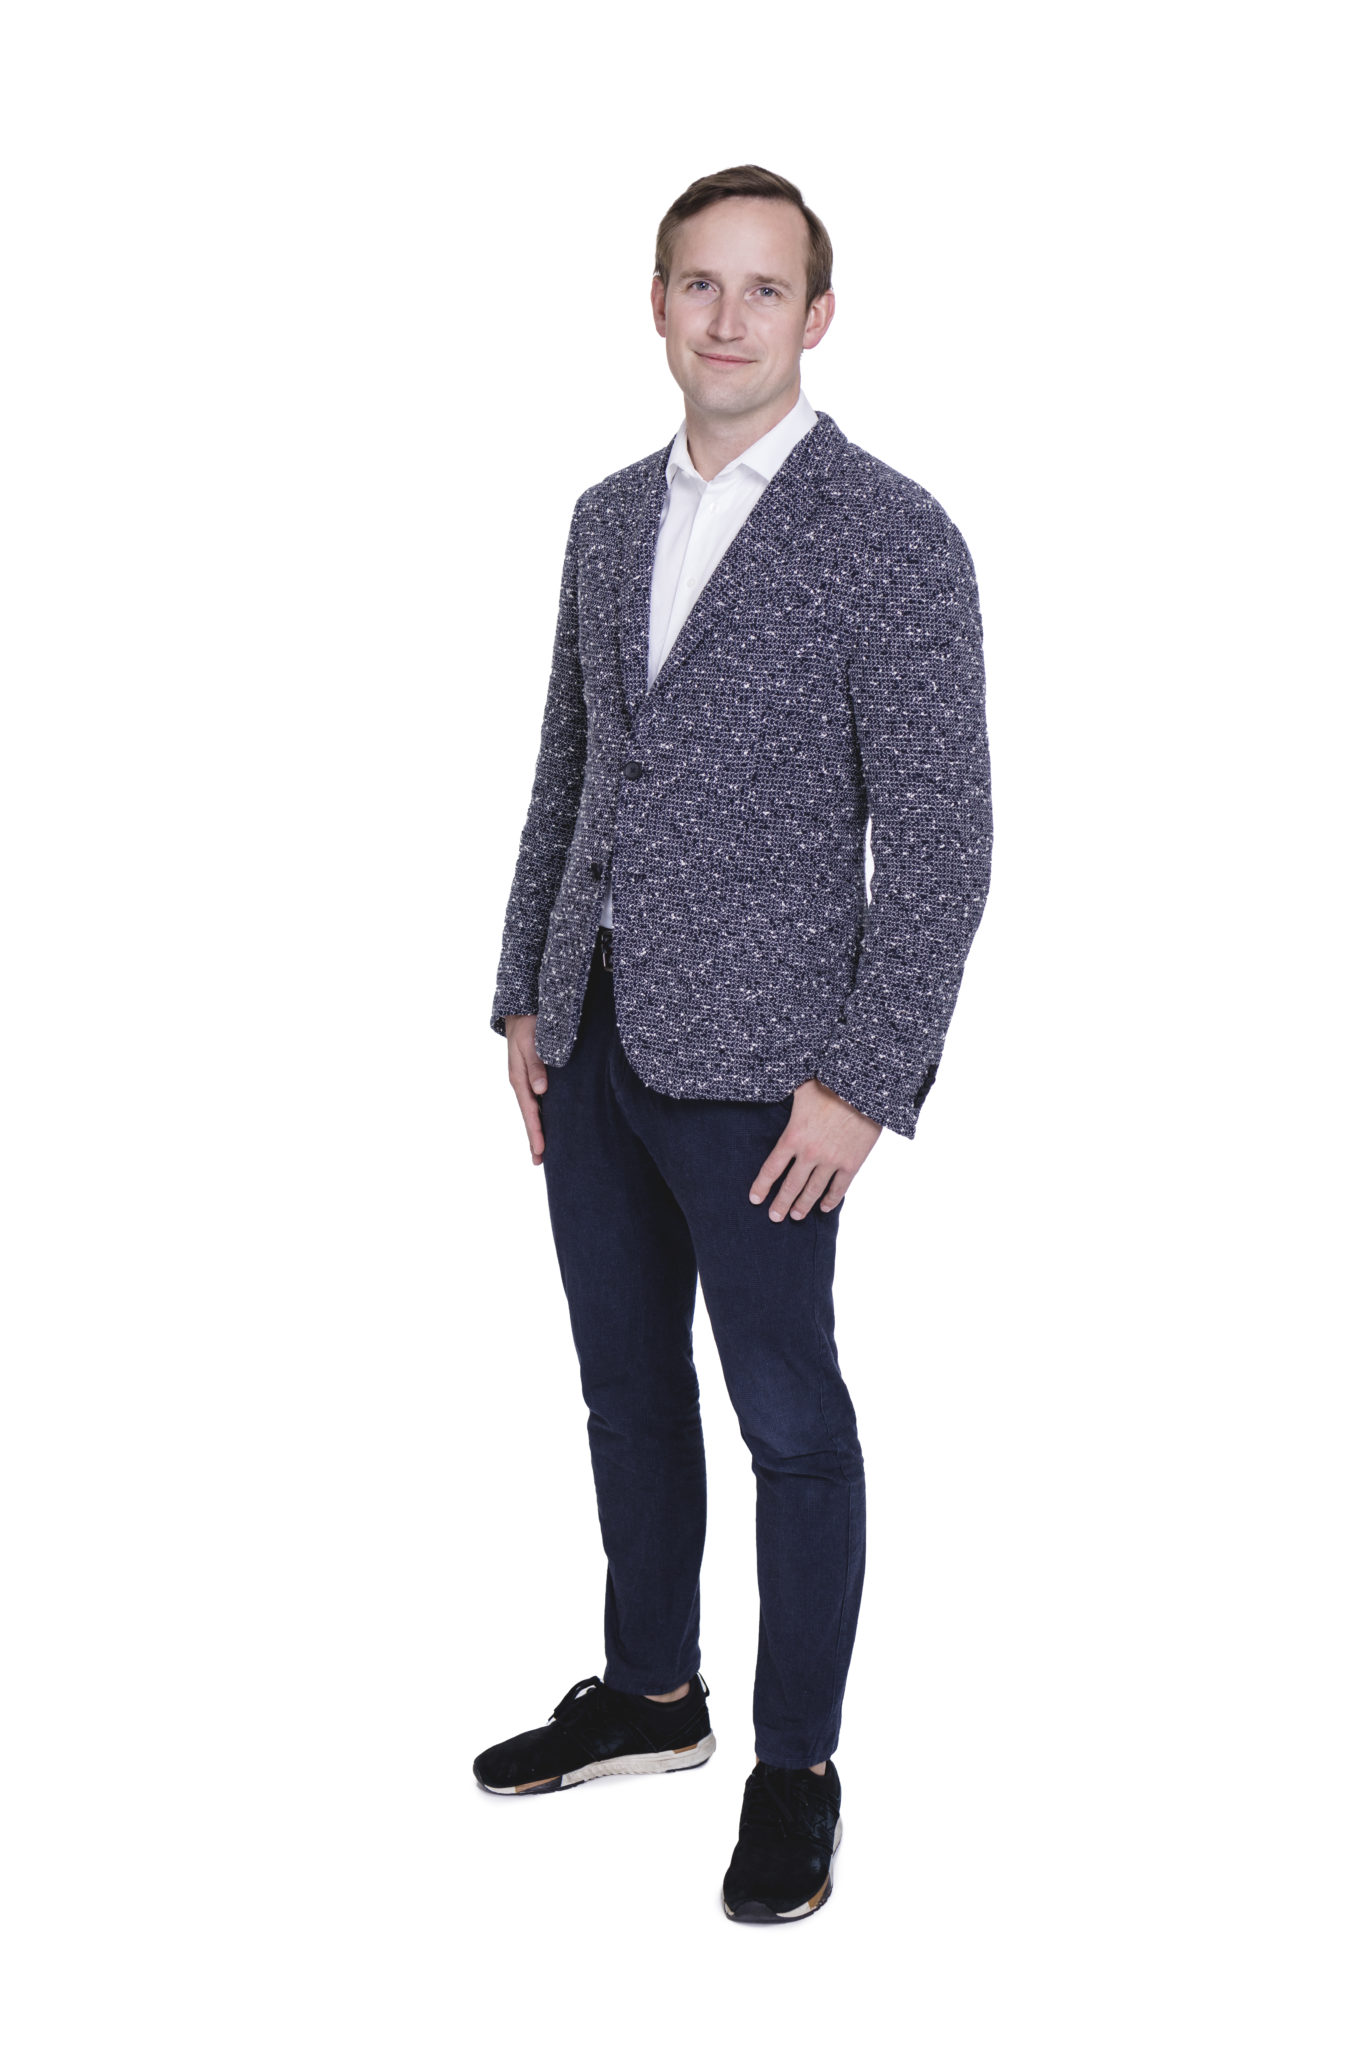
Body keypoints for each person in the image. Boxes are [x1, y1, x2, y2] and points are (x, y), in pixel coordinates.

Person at [478, 163, 993, 1922]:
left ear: (816, 316)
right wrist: (523, 988)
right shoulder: (604, 518)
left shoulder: (890, 534)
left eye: (763, 289)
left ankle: (795, 1765)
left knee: (788, 1418)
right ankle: (651, 1695)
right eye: (698, 283)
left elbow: (941, 838)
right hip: (592, 1040)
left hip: (773, 1074)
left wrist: (864, 1082)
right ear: (655, 304)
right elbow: (568, 768)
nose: (726, 318)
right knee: (625, 1390)